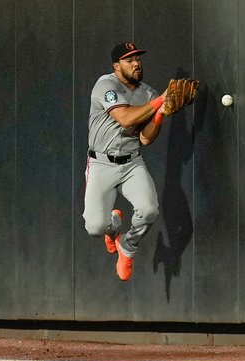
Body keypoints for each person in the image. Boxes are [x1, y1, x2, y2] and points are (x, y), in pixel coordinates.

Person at [83, 42, 167, 281]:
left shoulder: (148, 93)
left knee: (149, 210)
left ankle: (128, 247)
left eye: (138, 58)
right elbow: (125, 118)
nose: (136, 63)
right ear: (116, 65)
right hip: (101, 164)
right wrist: (159, 102)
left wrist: (160, 114)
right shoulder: (106, 85)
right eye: (129, 59)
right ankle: (114, 225)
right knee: (95, 228)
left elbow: (145, 138)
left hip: (132, 163)